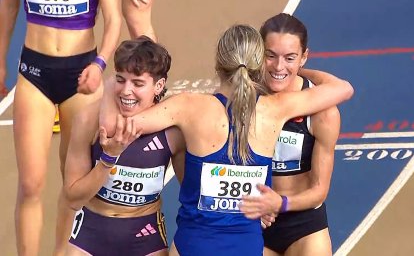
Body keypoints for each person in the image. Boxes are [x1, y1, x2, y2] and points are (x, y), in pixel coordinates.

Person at [100, 24, 353, 255]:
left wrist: (117, 80)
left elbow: (116, 126)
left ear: (219, 63)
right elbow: (343, 88)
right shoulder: (277, 108)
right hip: (246, 247)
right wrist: (294, 67)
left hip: (192, 246)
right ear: (258, 65)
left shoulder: (189, 106)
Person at [0, 0, 121, 254]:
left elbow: (114, 18)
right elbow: (8, 5)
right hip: (34, 73)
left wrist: (99, 63)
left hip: (82, 75)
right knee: (30, 184)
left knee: (74, 185)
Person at [63, 37, 185, 255]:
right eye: (120, 80)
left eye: (137, 83)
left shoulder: (173, 130)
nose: (126, 91)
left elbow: (190, 190)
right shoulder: (88, 120)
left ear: (158, 86)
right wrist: (107, 159)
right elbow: (73, 198)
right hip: (90, 234)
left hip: (145, 236)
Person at [240, 13, 339, 255]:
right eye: (270, 56)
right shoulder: (242, 101)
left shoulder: (322, 111)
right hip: (253, 220)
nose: (279, 67)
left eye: (290, 58)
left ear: (304, 57)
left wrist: (280, 203)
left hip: (304, 224)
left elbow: (319, 189)